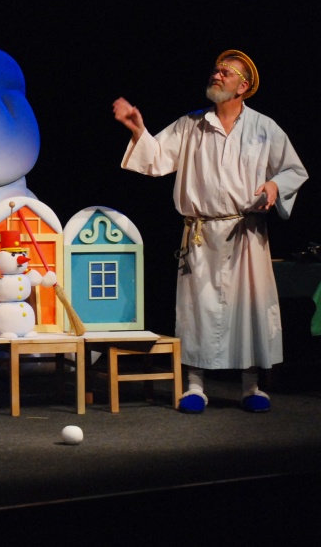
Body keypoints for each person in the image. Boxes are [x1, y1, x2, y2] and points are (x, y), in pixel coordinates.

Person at [112, 50, 308, 414]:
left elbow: (294, 170)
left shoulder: (263, 128)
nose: (216, 76)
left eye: (225, 73)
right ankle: (195, 386)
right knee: (196, 309)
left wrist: (274, 186)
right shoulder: (192, 124)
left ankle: (251, 387)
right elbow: (157, 158)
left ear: (243, 86)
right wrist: (139, 129)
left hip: (246, 231)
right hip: (201, 233)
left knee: (249, 307)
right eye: (216, 71)